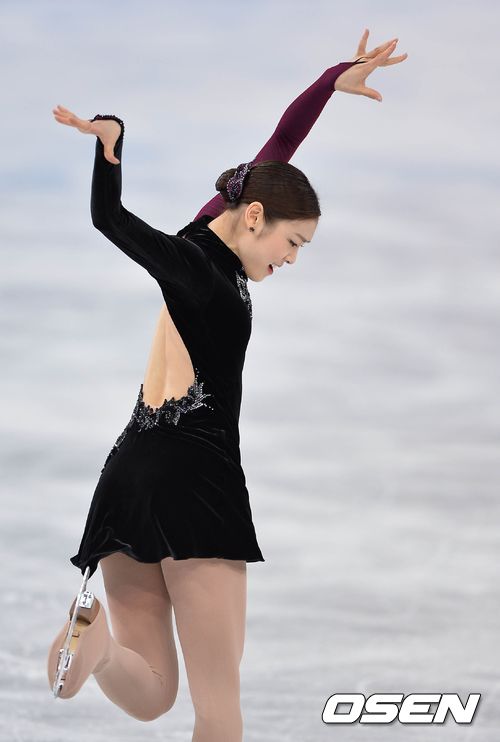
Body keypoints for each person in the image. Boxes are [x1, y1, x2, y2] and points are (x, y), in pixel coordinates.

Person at [46, 29, 407, 741]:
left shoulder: (211, 229)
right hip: (197, 484)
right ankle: (98, 647)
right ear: (255, 218)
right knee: (219, 710)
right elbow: (108, 219)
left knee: (152, 693)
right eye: (293, 243)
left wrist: (331, 81)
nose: (292, 259)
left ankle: (96, 648)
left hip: (127, 479)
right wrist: (109, 147)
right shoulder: (199, 272)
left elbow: (280, 145)